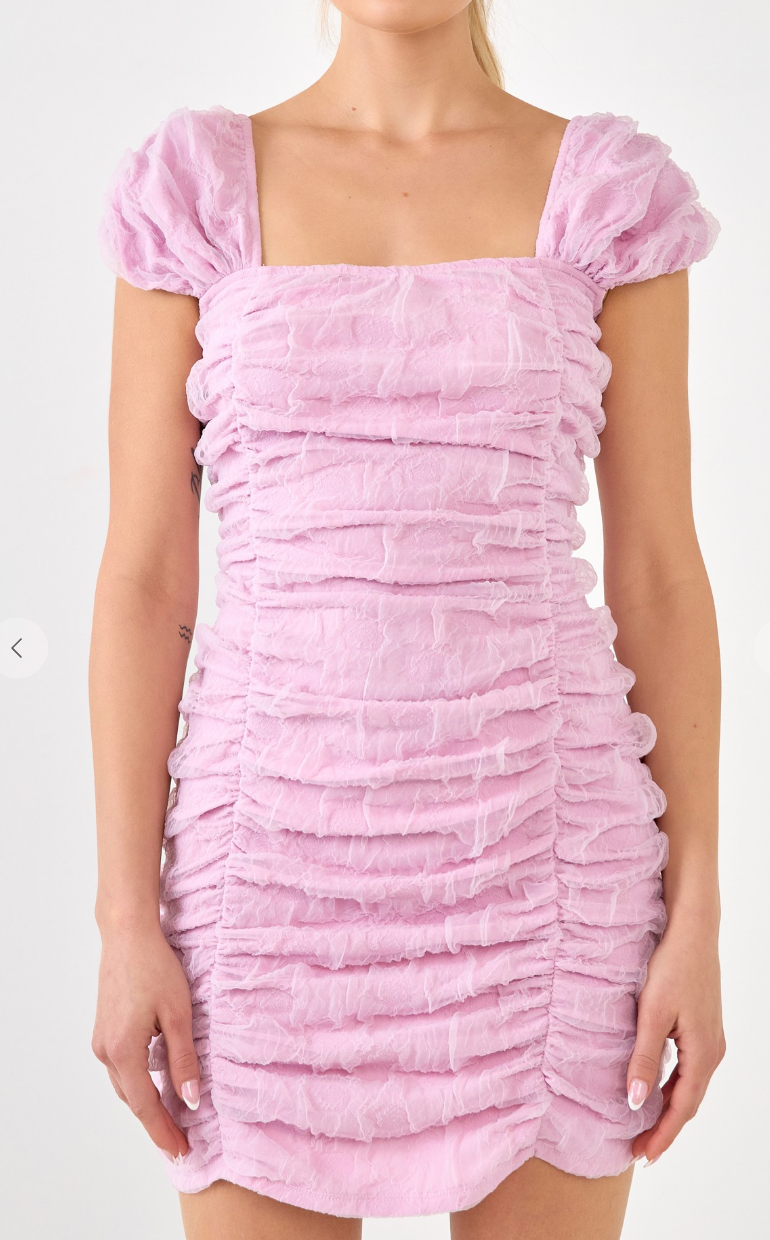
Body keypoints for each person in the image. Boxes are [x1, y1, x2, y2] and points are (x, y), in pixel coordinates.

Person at [89, 3, 725, 1238]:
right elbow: (144, 582)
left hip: (545, 876)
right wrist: (123, 917)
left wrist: (695, 915)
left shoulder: (605, 198)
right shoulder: (194, 195)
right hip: (265, 877)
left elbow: (658, 575)